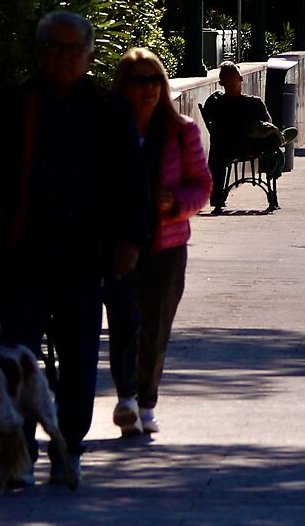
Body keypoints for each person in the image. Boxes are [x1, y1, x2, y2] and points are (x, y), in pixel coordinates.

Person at [0, 12, 149, 454]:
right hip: (23, 252)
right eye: (54, 48)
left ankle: (68, 442)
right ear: (39, 51)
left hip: (84, 256)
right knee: (20, 355)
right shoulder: (12, 105)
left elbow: (132, 182)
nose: (63, 58)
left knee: (80, 356)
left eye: (73, 50)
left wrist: (130, 241)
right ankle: (20, 449)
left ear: (88, 55)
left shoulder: (108, 110)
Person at [105, 47, 211, 439]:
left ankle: (146, 401)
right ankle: (126, 399)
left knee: (156, 326)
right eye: (139, 81)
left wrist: (177, 202)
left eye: (155, 79)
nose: (149, 88)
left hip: (167, 245)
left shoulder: (181, 130)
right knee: (123, 323)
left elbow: (202, 184)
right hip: (119, 243)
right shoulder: (108, 131)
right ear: (123, 86)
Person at [204, 63, 282, 168]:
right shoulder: (255, 103)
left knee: (218, 139)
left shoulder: (215, 104)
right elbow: (268, 123)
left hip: (223, 149)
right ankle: (281, 139)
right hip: (251, 148)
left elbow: (209, 116)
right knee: (271, 134)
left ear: (221, 83)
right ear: (241, 79)